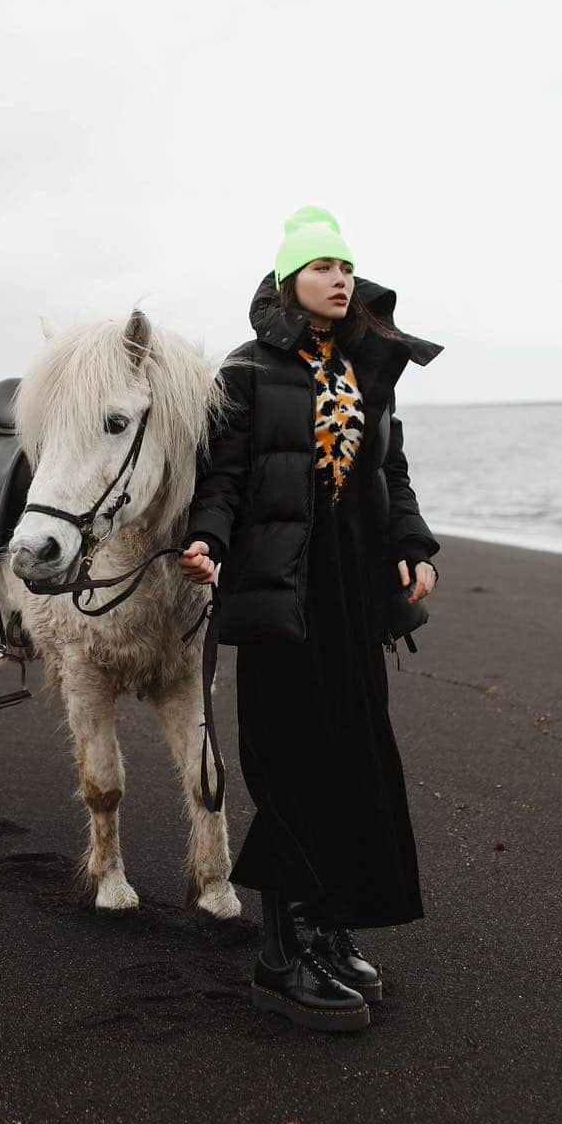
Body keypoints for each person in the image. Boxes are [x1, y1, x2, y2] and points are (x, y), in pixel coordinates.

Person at [178, 205, 444, 1033]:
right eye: (324, 265)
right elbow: (220, 477)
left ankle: (330, 928)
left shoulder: (371, 368)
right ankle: (279, 959)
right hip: (281, 596)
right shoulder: (249, 369)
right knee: (293, 764)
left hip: (352, 596)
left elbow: (389, 472)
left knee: (357, 759)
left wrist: (412, 541)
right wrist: (206, 542)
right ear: (291, 278)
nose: (341, 278)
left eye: (347, 267)